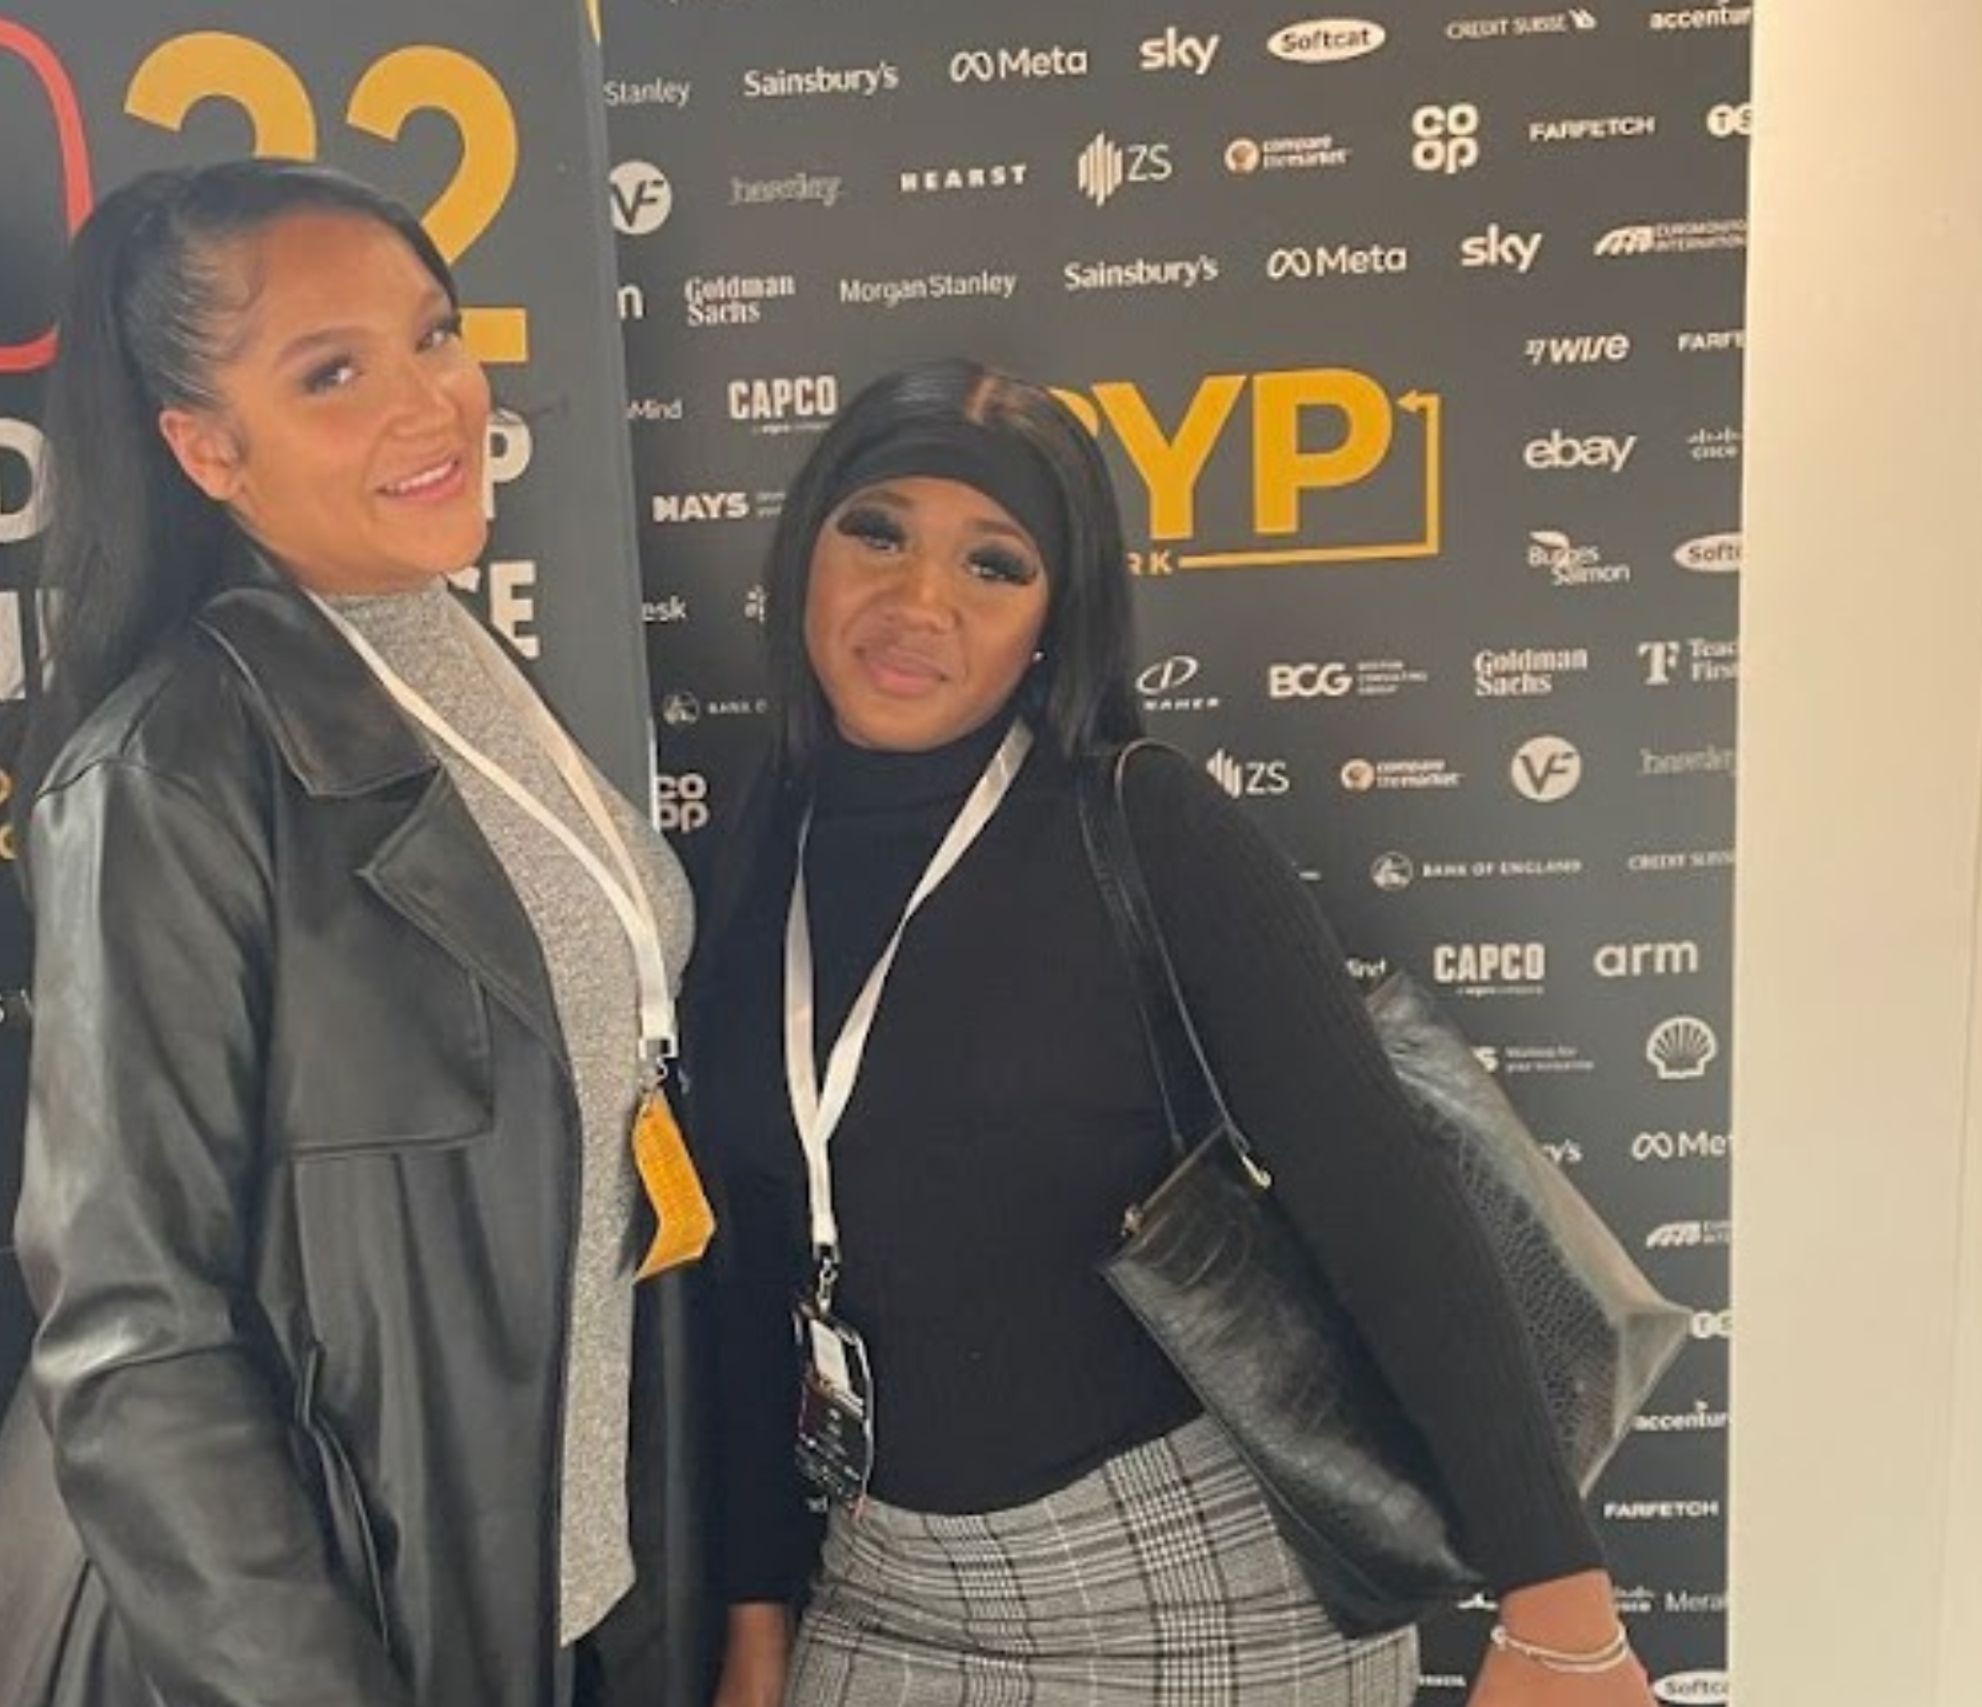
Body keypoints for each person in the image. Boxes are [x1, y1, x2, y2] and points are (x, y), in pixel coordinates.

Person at [683, 358, 1651, 1707]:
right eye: (879, 532)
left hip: (1196, 1598)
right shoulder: (751, 858)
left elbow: (1388, 1207)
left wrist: (1561, 1605)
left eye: (994, 563)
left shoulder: (1144, 827)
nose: (918, 602)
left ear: (1056, 617)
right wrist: (753, 1619)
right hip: (881, 1589)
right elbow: (745, 1279)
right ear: (806, 553)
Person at [0, 159, 709, 1707]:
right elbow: (134, 1339)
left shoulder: (449, 653)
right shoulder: (168, 774)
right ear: (205, 445)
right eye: (333, 372)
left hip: (565, 1604)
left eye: (433, 334)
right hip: (362, 1639)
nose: (430, 403)